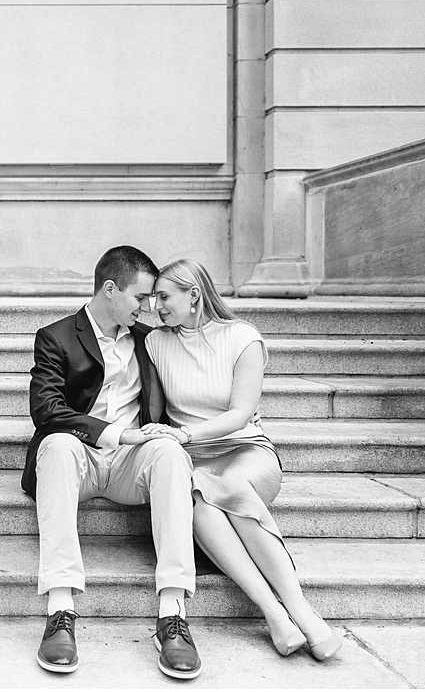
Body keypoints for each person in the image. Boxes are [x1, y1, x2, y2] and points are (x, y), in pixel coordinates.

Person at [141, 258, 344, 661]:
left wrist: (183, 434)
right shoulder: (154, 343)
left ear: (194, 295)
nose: (155, 306)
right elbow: (154, 410)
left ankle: (301, 609)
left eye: (164, 296)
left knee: (225, 484)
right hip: (194, 458)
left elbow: (239, 413)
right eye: (152, 298)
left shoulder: (242, 337)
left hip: (247, 450)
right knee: (197, 498)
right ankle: (275, 616)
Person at [24, 245, 203, 680]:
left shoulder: (150, 340)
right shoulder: (57, 336)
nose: (150, 308)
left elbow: (198, 372)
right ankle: (60, 610)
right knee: (59, 443)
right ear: (110, 289)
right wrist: (116, 432)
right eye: (141, 298)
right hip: (79, 459)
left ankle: (172, 614)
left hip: (130, 465)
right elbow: (46, 409)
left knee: (169, 451)